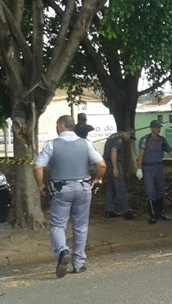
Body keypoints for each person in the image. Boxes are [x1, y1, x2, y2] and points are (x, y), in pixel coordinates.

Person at [33, 115, 106, 278]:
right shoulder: (86, 143)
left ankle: (62, 251)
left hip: (61, 190)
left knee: (58, 225)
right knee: (81, 226)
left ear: (61, 126)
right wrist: (98, 178)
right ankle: (78, 264)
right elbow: (101, 164)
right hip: (83, 188)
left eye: (56, 126)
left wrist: (41, 186)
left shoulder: (52, 144)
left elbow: (38, 167)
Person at [136, 120, 172, 224]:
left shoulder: (162, 140)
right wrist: (139, 168)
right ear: (151, 128)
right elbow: (141, 154)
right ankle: (153, 215)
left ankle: (160, 212)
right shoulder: (145, 139)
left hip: (159, 167)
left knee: (160, 191)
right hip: (148, 168)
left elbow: (170, 151)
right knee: (150, 192)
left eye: (159, 127)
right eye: (156, 127)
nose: (158, 129)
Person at [103, 130, 135, 220]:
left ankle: (108, 210)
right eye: (130, 138)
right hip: (114, 163)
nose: (130, 140)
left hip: (107, 164)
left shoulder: (112, 137)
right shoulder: (119, 140)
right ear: (127, 134)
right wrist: (115, 168)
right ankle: (126, 212)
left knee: (111, 188)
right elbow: (113, 152)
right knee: (120, 188)